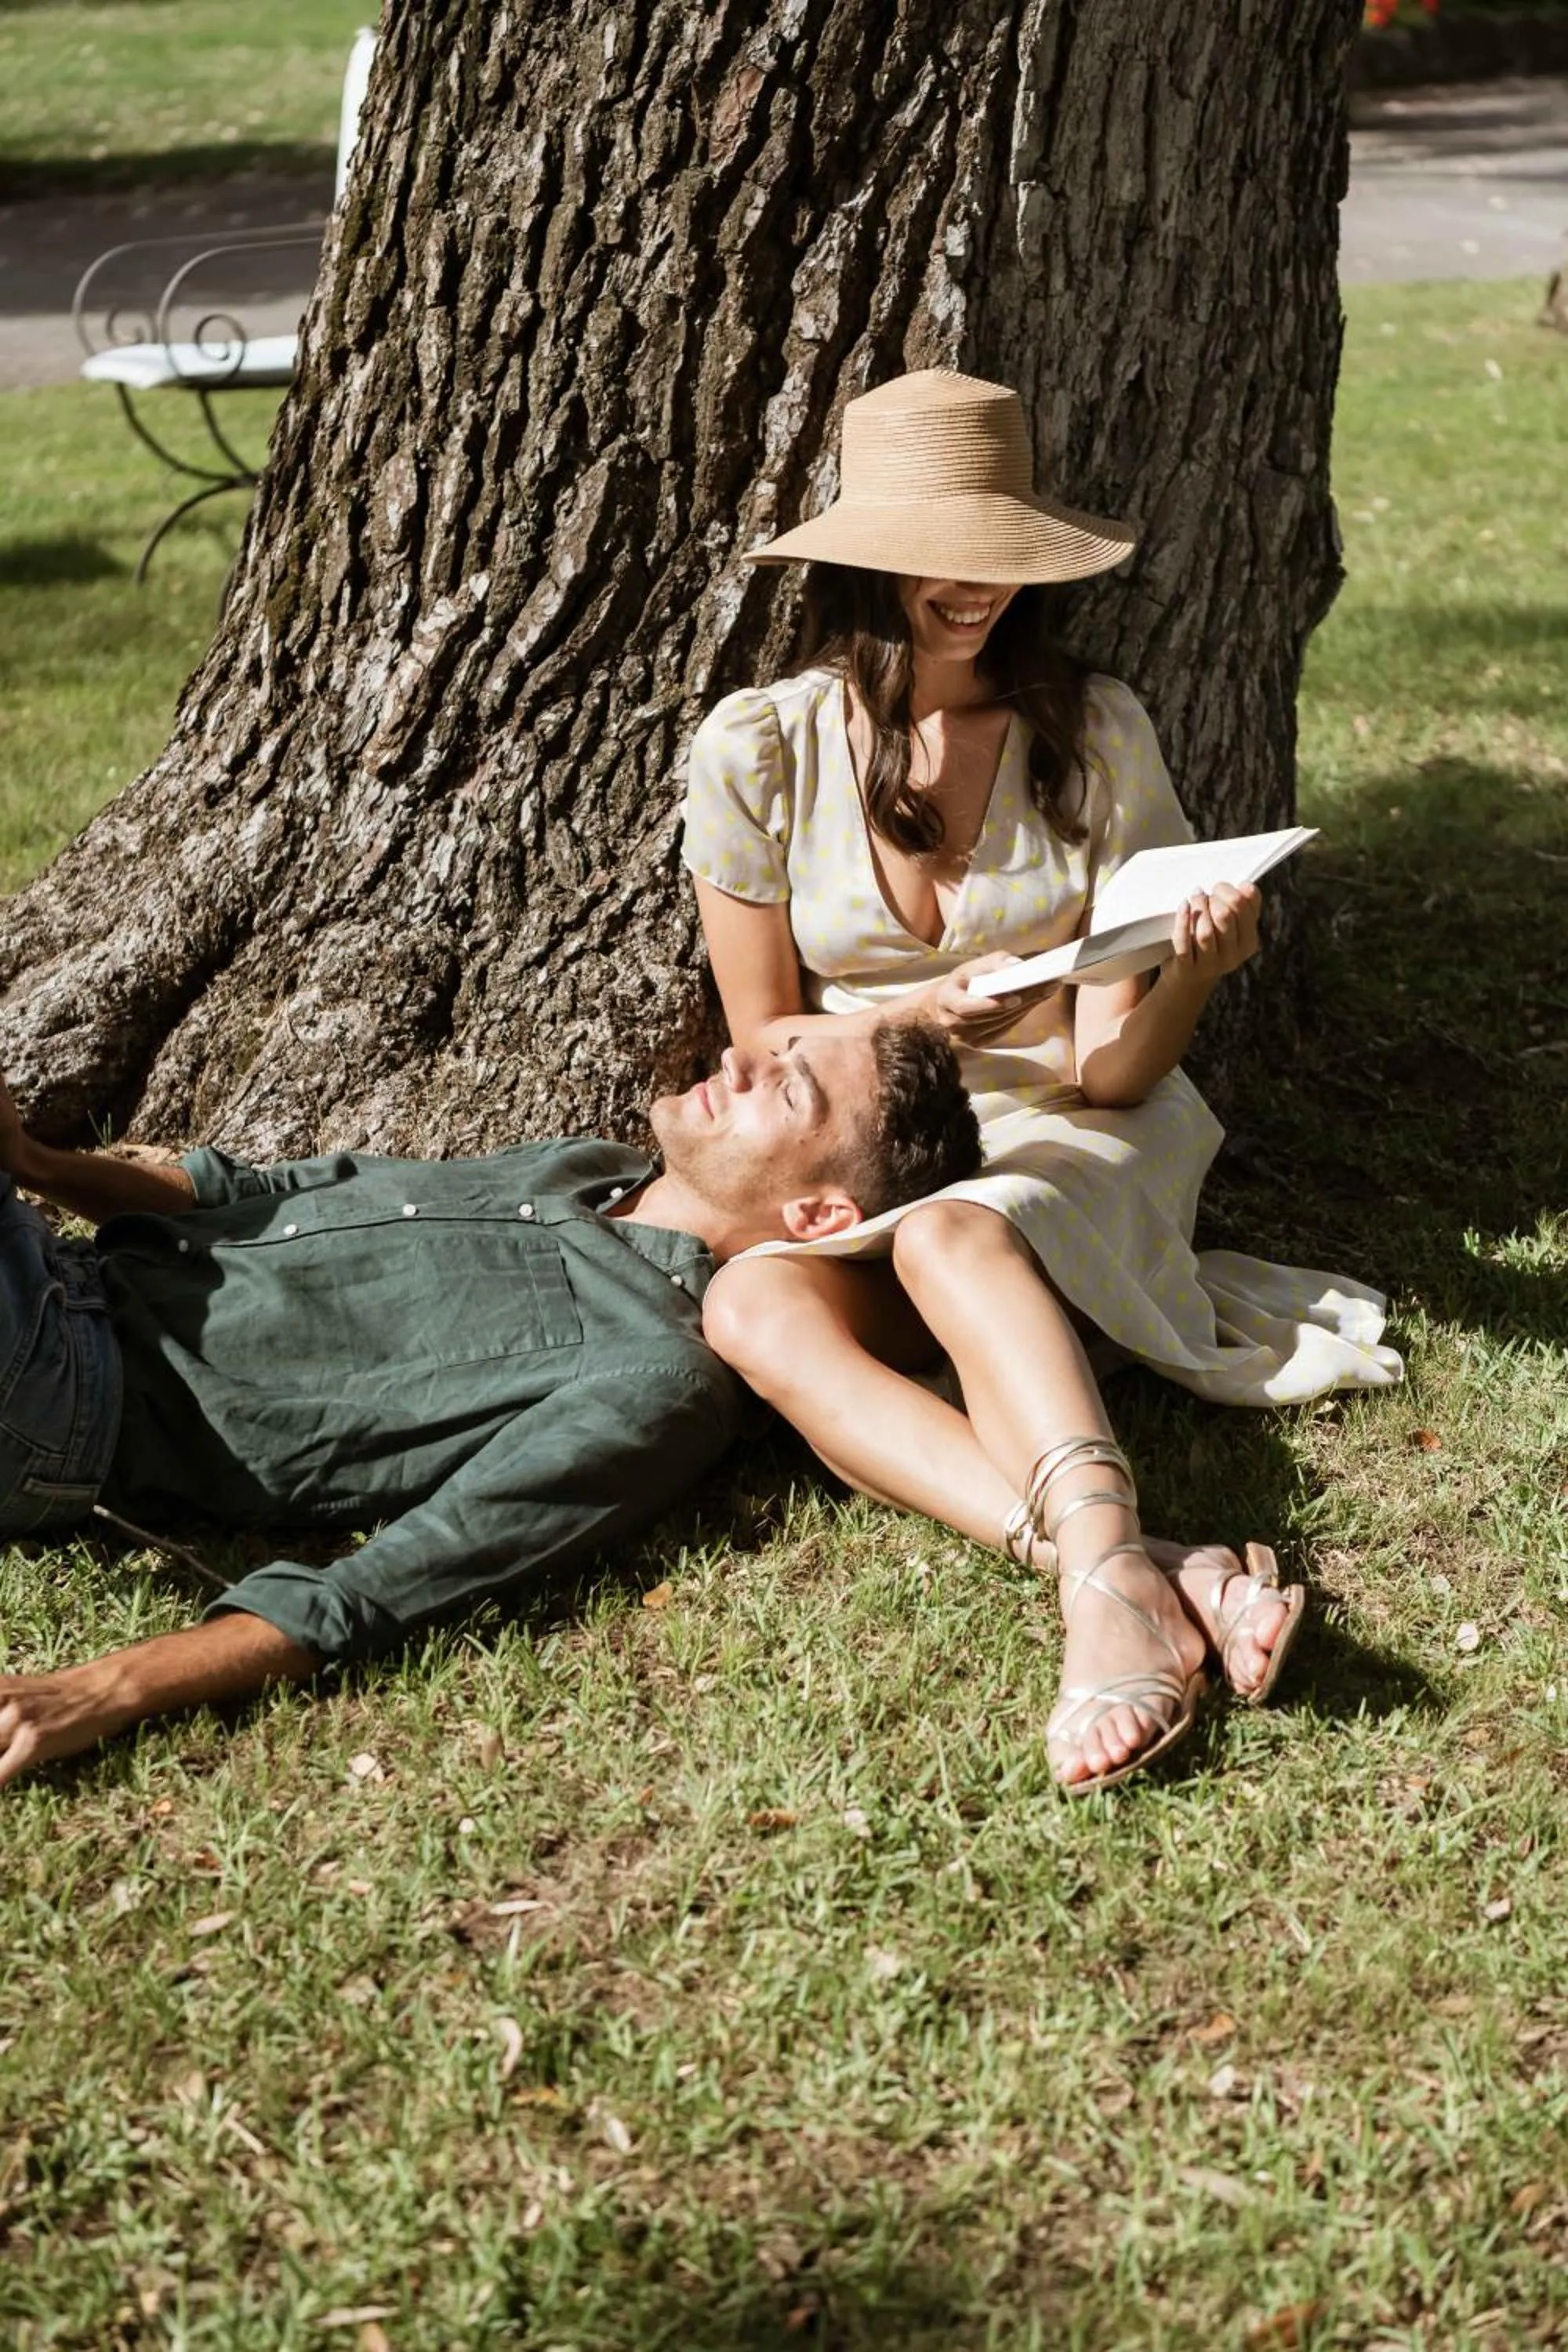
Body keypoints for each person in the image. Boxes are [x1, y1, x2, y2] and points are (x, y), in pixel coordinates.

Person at [681, 368, 1403, 1797]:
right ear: (867, 560)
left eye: (1000, 556)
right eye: (939, 557)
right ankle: (1141, 1566)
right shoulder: (759, 747)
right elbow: (763, 1036)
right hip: (883, 1142)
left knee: (959, 1231)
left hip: (1071, 1132)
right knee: (748, 1304)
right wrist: (928, 1016)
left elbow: (1114, 1071)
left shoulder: (1096, 733)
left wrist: (1196, 970)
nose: (975, 591)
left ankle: (1107, 1601)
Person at [0, 1021, 980, 1789]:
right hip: (56, 1271)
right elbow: (258, 1193)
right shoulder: (589, 1169)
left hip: (63, 1395)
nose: (739, 1059)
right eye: (775, 1050)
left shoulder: (657, 1380)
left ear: (818, 1215)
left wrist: (102, 1690)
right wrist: (36, 1162)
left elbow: (404, 1578)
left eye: (787, 1089)